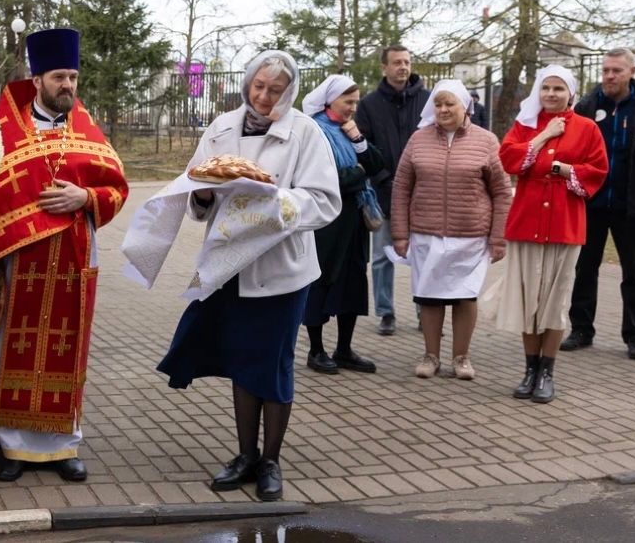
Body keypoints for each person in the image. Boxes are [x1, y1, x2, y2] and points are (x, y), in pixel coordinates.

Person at [0, 28, 128, 484]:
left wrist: (85, 197)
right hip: (17, 262)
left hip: (73, 261)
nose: (67, 85)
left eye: (73, 76)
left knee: (65, 352)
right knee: (11, 352)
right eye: (58, 77)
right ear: (37, 80)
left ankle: (62, 445)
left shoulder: (87, 131)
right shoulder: (3, 132)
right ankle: (11, 445)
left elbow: (116, 189)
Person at [156, 51, 341, 502]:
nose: (264, 97)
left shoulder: (305, 132)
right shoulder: (221, 127)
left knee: (273, 364)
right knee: (243, 361)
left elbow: (325, 200)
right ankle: (245, 455)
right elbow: (198, 189)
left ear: (290, 92)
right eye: (258, 86)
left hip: (282, 271)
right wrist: (202, 195)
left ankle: (270, 460)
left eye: (275, 90)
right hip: (230, 265)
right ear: (246, 83)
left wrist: (274, 203)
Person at [496, 66, 607, 404]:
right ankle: (530, 369)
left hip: (565, 224)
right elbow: (508, 159)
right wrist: (543, 136)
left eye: (559, 89)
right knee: (529, 301)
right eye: (546, 88)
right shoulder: (525, 124)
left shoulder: (587, 128)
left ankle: (547, 372)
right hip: (527, 222)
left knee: (555, 302)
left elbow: (598, 170)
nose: (551, 94)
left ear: (570, 93)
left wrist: (567, 169)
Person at [390, 80, 512, 381]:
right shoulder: (418, 139)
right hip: (426, 233)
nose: (443, 109)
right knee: (429, 297)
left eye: (450, 104)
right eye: (438, 104)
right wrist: (400, 234)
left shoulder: (486, 141)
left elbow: (501, 191)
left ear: (465, 106)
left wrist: (498, 237)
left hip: (471, 236)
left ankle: (461, 357)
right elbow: (402, 187)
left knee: (465, 297)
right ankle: (431, 355)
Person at [563, 48, 635, 360]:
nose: (610, 76)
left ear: (632, 72)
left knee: (634, 274)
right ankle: (581, 330)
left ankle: (634, 336)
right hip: (591, 203)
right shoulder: (586, 107)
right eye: (606, 71)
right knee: (585, 269)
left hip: (633, 206)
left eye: (617, 70)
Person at [299, 75, 386, 375]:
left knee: (353, 283)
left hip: (355, 220)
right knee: (321, 281)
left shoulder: (348, 130)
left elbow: (377, 163)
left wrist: (358, 140)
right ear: (329, 101)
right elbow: (329, 179)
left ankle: (344, 349)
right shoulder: (316, 131)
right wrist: (360, 172)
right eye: (348, 102)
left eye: (356, 102)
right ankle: (316, 350)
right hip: (327, 223)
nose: (353, 108)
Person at [355, 44, 431, 335]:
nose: (403, 67)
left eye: (407, 62)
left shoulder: (427, 100)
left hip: (422, 191)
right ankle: (386, 312)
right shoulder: (369, 104)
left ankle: (426, 311)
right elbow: (364, 146)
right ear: (384, 67)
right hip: (384, 190)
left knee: (424, 255)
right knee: (382, 256)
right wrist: (384, 177)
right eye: (397, 62)